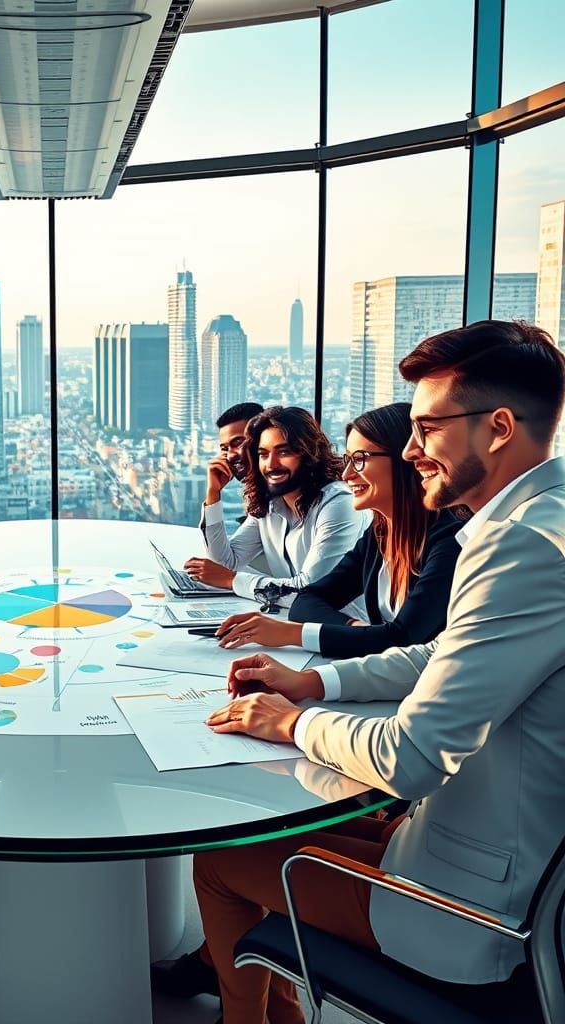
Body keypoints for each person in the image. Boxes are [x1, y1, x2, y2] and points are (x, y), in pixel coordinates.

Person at [193, 320, 565, 1024]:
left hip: (474, 912)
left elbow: (415, 756)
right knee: (252, 832)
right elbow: (444, 654)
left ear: (498, 428)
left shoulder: (521, 547)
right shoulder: (543, 521)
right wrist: (316, 681)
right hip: (477, 846)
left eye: (427, 428)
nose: (413, 450)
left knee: (216, 861)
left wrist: (294, 721)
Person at [211, 402, 463, 659]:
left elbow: (402, 640)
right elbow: (305, 602)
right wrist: (361, 632)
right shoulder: (381, 533)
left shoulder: (449, 542)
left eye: (360, 460)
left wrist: (290, 634)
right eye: (348, 460)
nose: (347, 473)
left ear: (407, 458)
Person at [183, 406, 368, 612]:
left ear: (308, 453)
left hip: (347, 632)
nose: (271, 464)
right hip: (294, 622)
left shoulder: (338, 504)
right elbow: (226, 562)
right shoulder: (270, 504)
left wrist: (233, 580)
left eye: (284, 452)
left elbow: (309, 591)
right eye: (263, 454)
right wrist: (213, 494)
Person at [201, 401, 264, 521]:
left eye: (238, 443)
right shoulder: (259, 502)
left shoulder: (282, 496)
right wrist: (213, 492)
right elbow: (216, 541)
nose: (230, 455)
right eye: (225, 449)